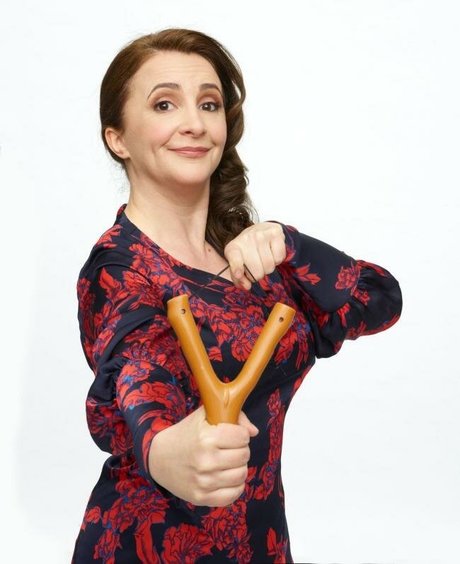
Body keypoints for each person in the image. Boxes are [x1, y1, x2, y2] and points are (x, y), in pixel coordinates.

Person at [72, 28, 402, 564]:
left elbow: (379, 300)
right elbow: (137, 367)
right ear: (118, 139)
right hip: (147, 547)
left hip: (261, 545)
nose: (195, 123)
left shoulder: (258, 260)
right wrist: (162, 449)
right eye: (164, 104)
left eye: (209, 104)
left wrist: (290, 243)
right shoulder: (119, 267)